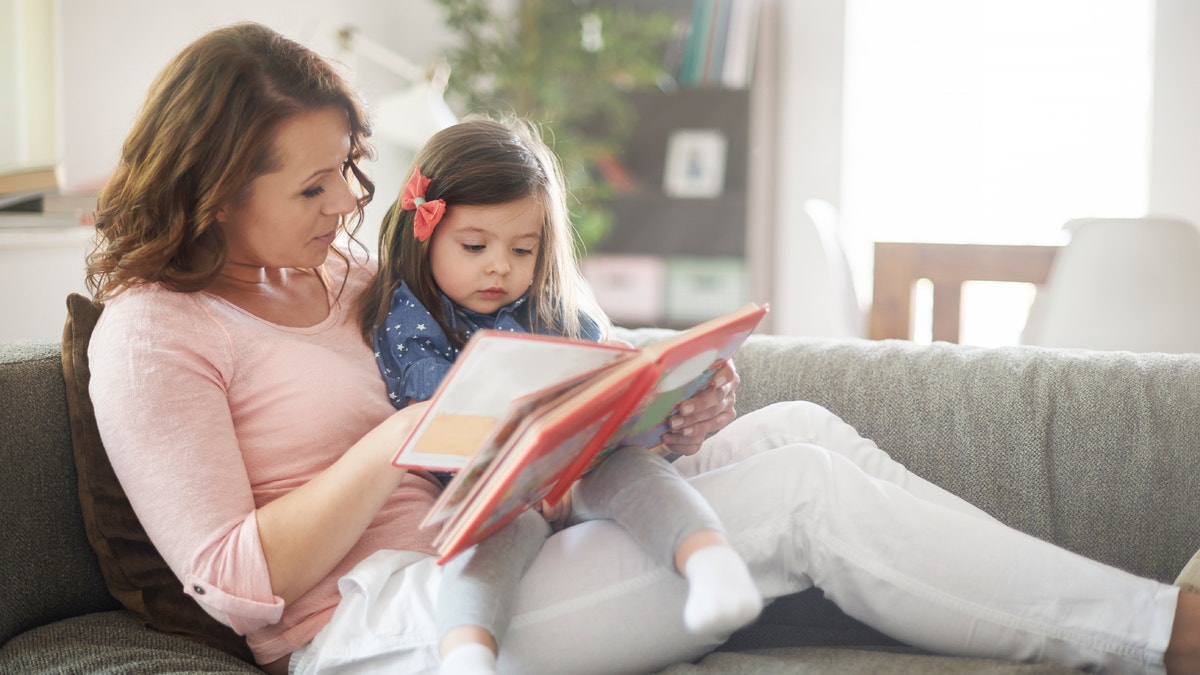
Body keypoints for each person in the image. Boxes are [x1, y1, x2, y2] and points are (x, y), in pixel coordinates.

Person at [83, 21, 1200, 675]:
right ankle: (1159, 633)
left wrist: (654, 399)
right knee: (800, 496)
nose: (346, 205)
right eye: (314, 185)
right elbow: (234, 587)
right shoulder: (152, 333)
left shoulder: (342, 274)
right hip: (398, 614)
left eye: (351, 175)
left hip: (515, 519)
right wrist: (402, 440)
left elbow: (517, 345)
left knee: (796, 429)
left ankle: (1114, 606)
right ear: (216, 184)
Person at [359, 117, 763, 674]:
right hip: (498, 493)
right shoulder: (411, 320)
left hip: (583, 468)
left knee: (642, 478)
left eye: (523, 250)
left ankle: (711, 565)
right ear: (424, 232)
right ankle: (468, 652)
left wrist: (664, 388)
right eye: (475, 246)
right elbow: (443, 403)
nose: (500, 266)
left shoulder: (549, 305)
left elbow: (610, 366)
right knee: (480, 551)